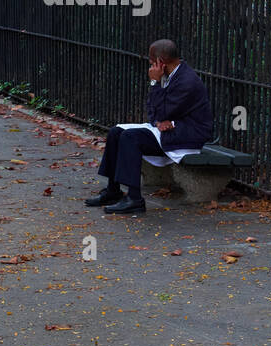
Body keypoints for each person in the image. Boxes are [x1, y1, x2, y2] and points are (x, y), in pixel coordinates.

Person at [86, 39, 214, 215]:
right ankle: (113, 191)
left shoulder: (186, 81)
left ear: (160, 62)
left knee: (131, 138)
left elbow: (161, 111)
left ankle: (135, 199)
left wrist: (155, 84)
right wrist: (159, 121)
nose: (150, 65)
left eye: (152, 61)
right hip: (169, 129)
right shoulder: (170, 74)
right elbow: (154, 113)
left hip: (186, 135)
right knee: (116, 132)